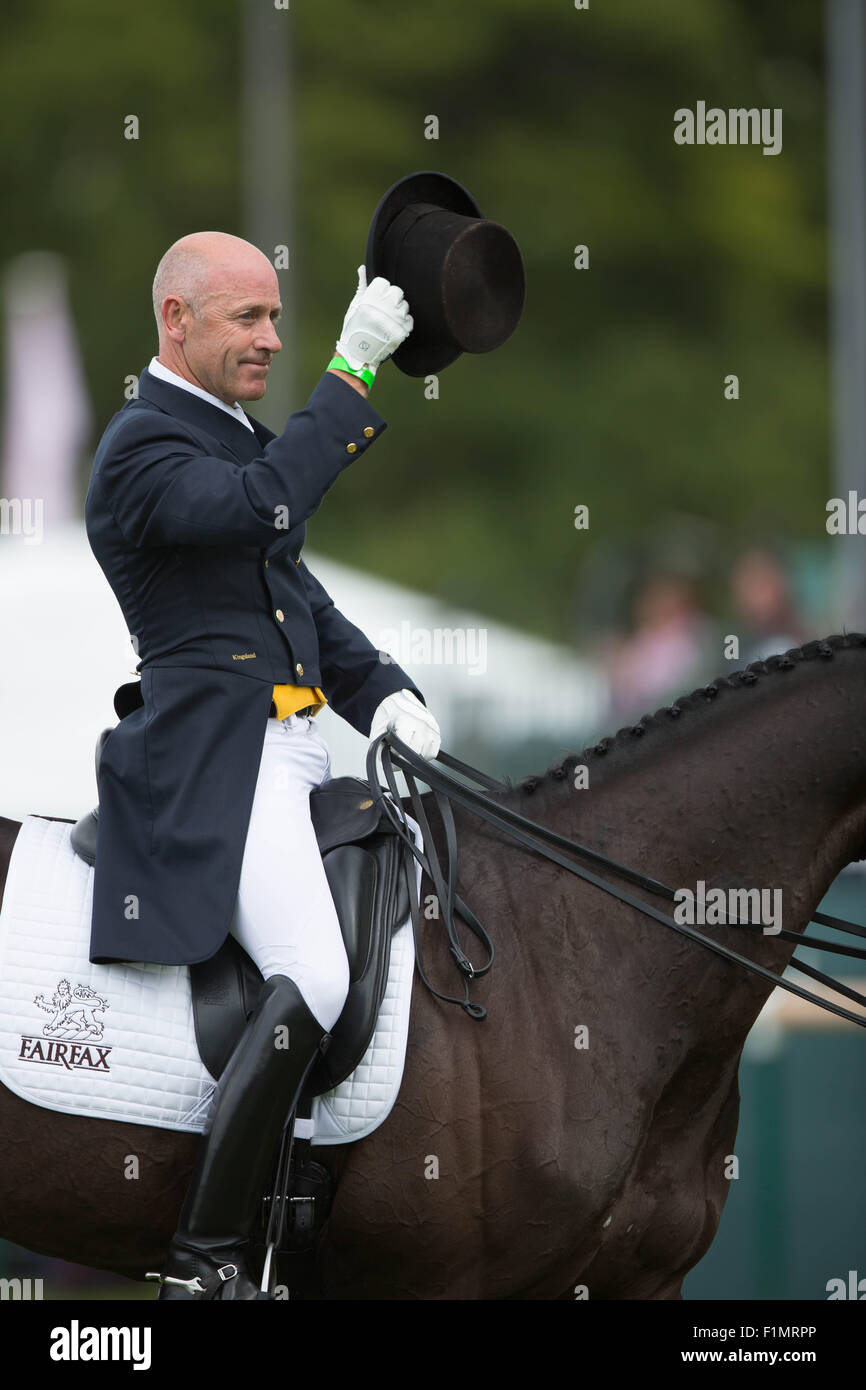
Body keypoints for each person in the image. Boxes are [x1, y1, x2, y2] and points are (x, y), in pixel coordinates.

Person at [83, 231, 441, 1299]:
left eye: (276, 318)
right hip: (212, 760)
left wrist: (382, 692)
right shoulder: (143, 445)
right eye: (247, 318)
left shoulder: (229, 433)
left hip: (293, 747)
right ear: (174, 322)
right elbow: (265, 509)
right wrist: (352, 373)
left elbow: (294, 594)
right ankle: (202, 1262)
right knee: (321, 973)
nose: (271, 340)